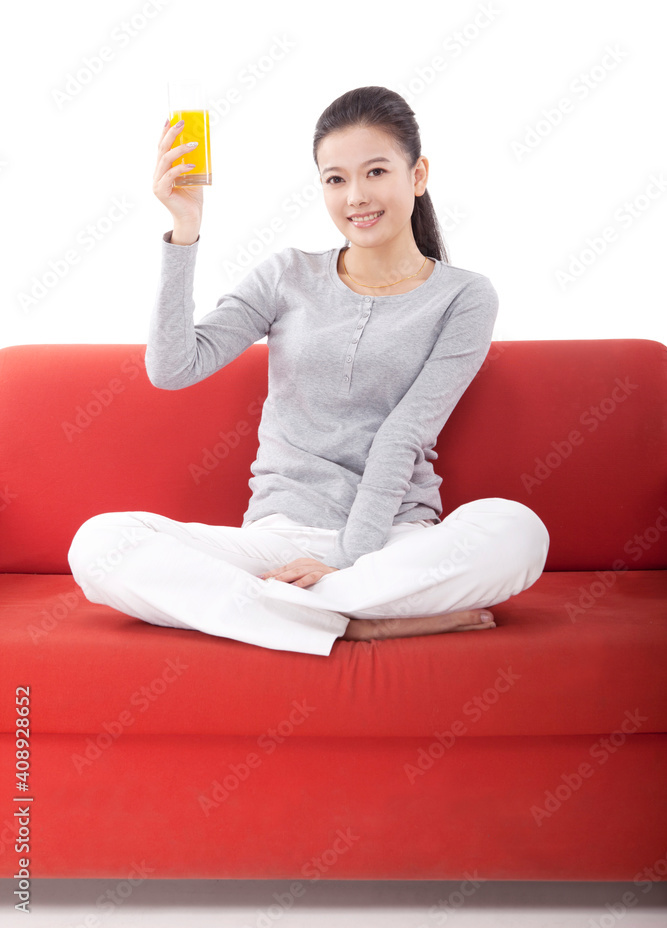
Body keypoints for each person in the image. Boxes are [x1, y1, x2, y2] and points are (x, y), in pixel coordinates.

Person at [67, 85, 550, 656]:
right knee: (99, 544)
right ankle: (351, 622)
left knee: (517, 531)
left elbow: (402, 435)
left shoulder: (465, 297)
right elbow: (173, 368)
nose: (356, 197)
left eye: (375, 171)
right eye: (335, 179)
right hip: (276, 540)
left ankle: (283, 613)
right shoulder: (287, 275)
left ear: (417, 175)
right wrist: (185, 228)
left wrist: (344, 559)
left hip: (391, 544)